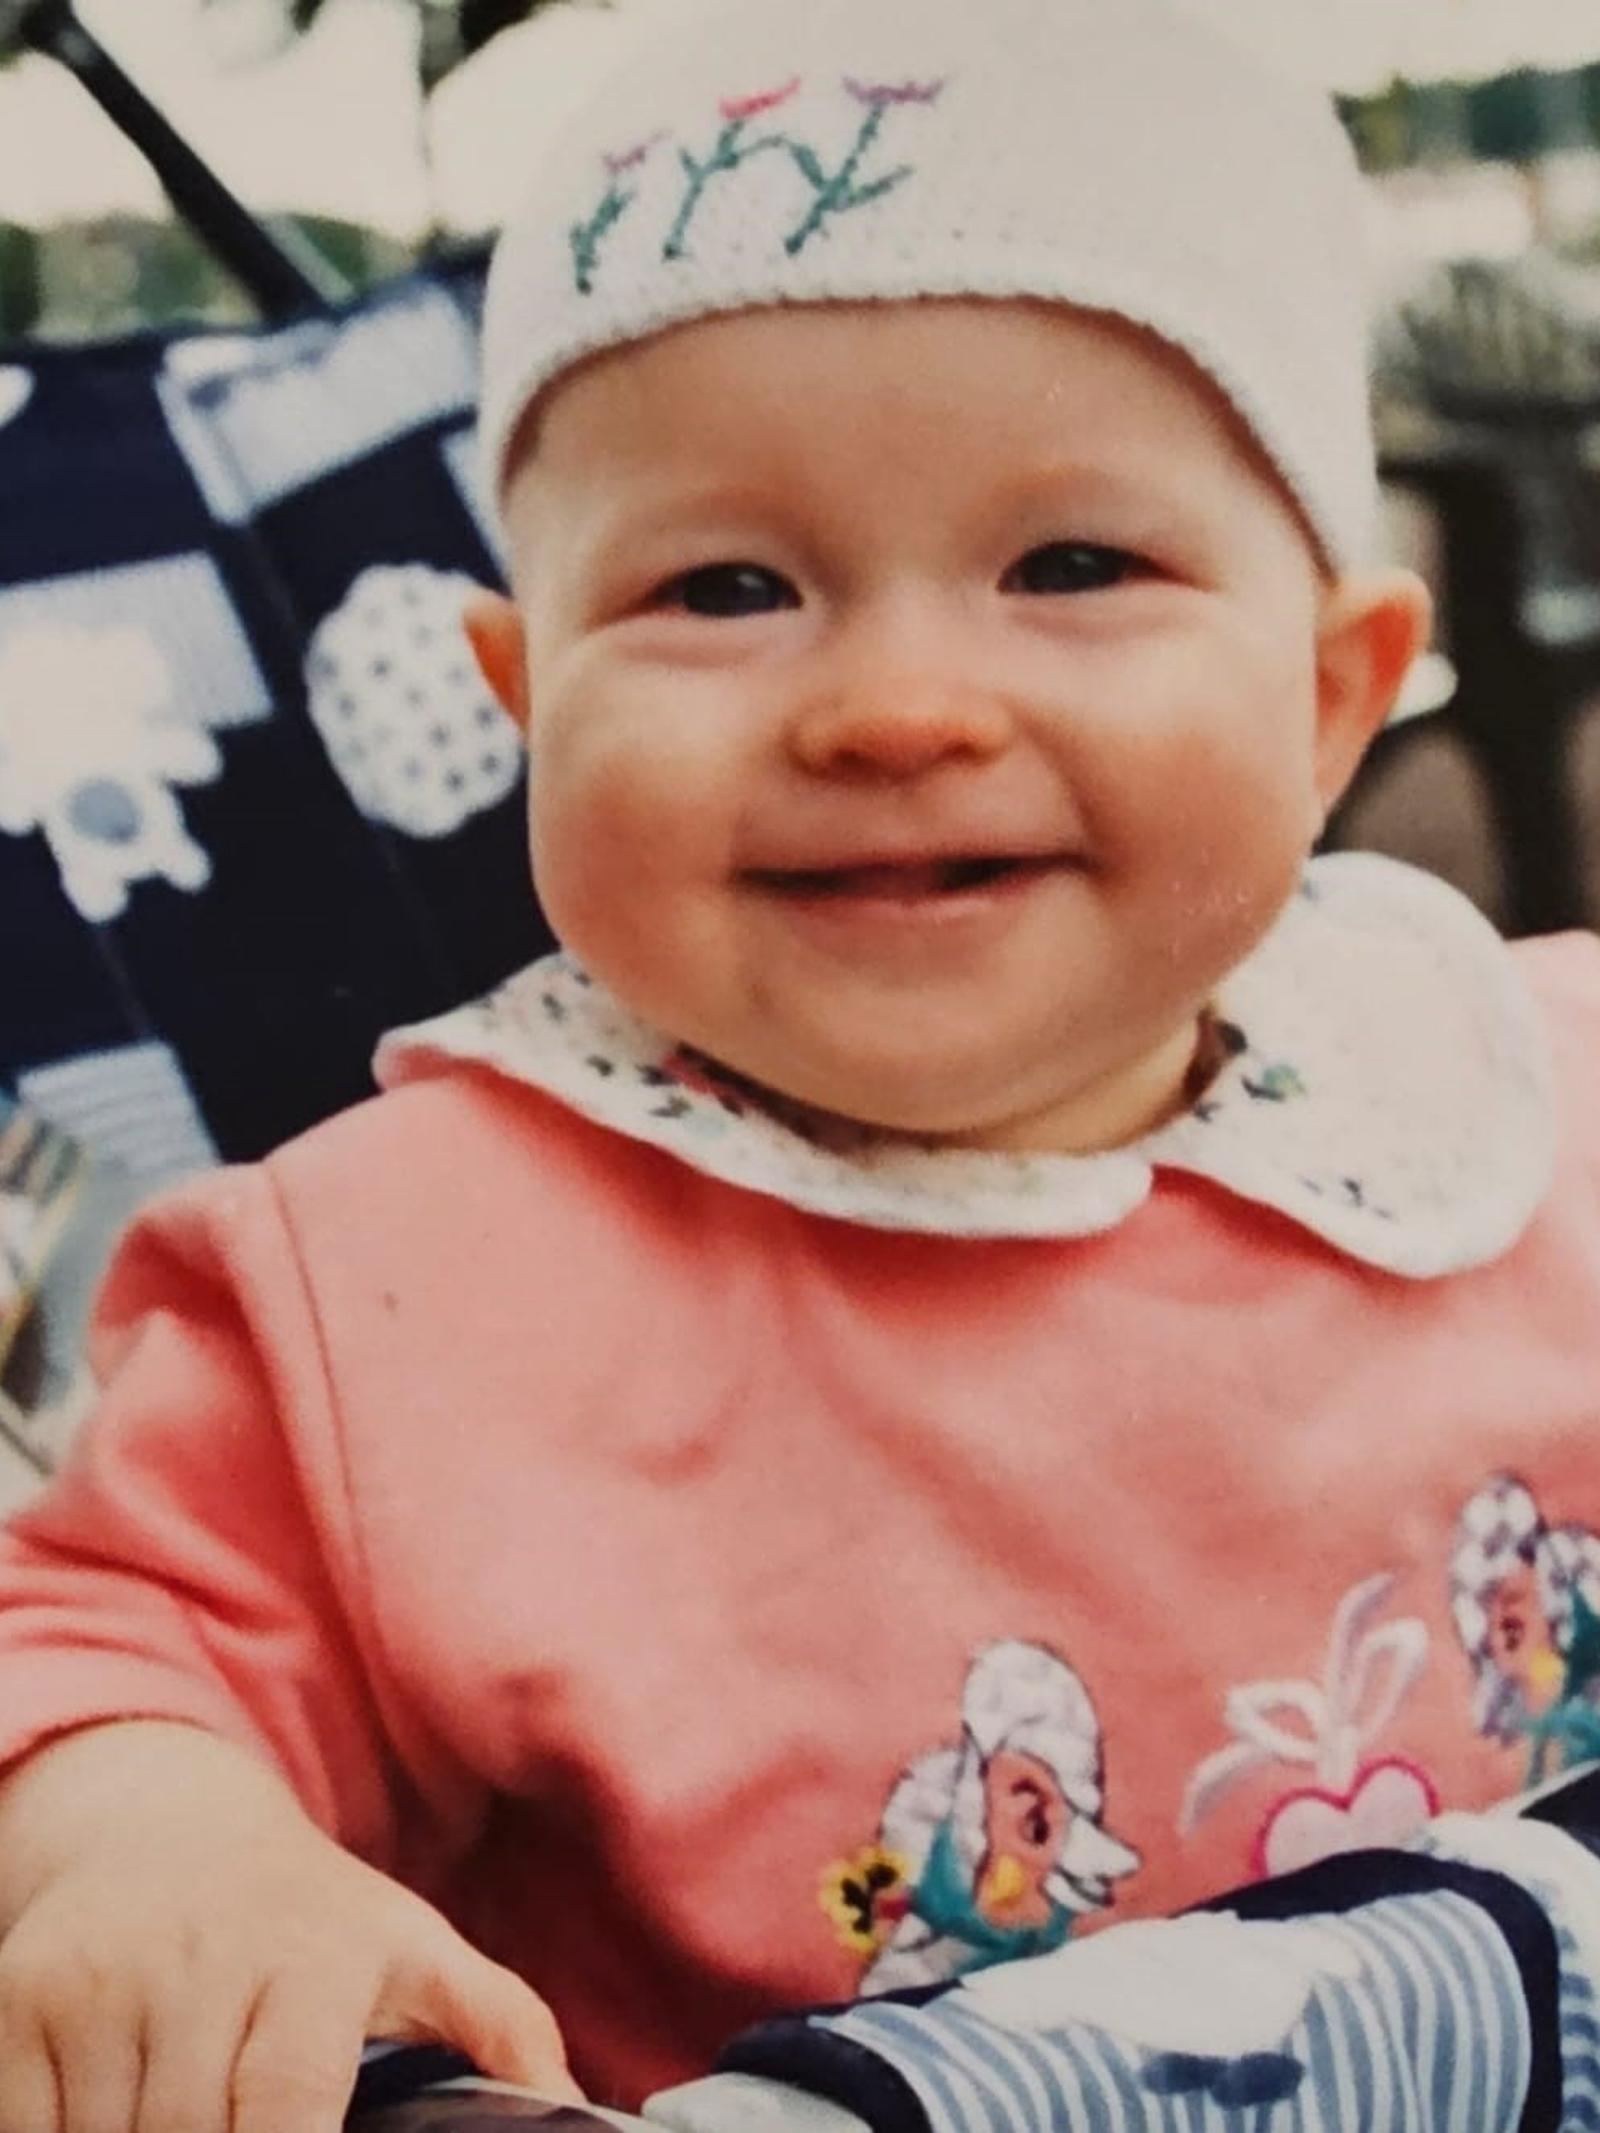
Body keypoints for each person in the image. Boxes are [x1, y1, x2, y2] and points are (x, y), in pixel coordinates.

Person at [0, 0, 1598, 2130]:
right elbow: (95, 1634)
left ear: (1328, 698)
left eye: (1070, 565)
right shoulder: (391, 1288)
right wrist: (154, 1842)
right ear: (529, 698)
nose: (896, 706)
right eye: (725, 585)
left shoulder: (1529, 1098)